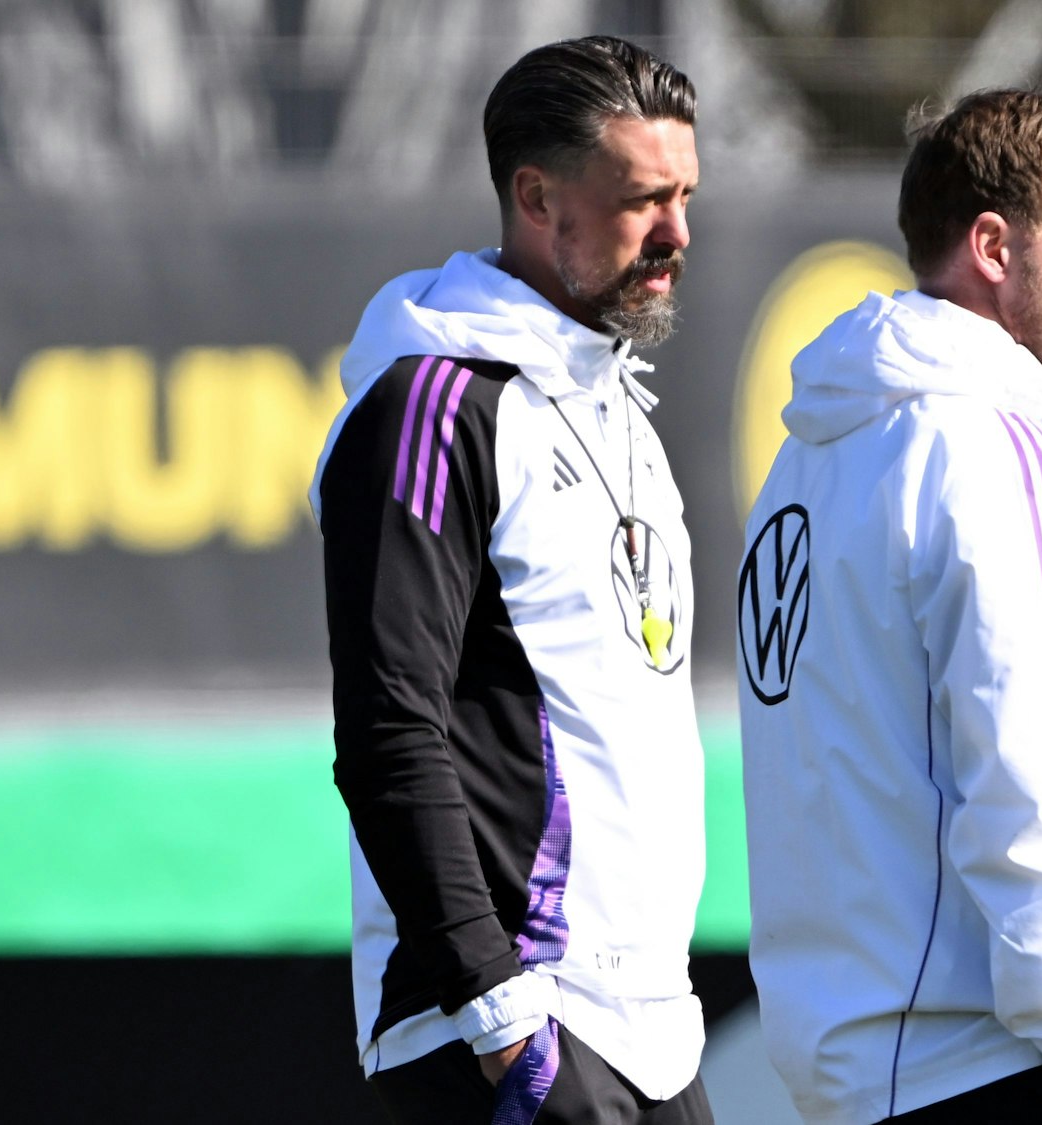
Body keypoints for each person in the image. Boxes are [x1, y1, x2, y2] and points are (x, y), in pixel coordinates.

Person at [734, 68, 1042, 1125]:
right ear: (990, 248)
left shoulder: (801, 469)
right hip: (990, 1064)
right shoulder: (997, 456)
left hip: (848, 1078)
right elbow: (1031, 776)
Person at [313, 36, 712, 1125]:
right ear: (536, 197)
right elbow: (390, 730)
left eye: (684, 195)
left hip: (652, 1032)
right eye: (641, 200)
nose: (676, 233)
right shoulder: (432, 407)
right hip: (507, 1029)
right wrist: (500, 1018)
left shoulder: (615, 403)